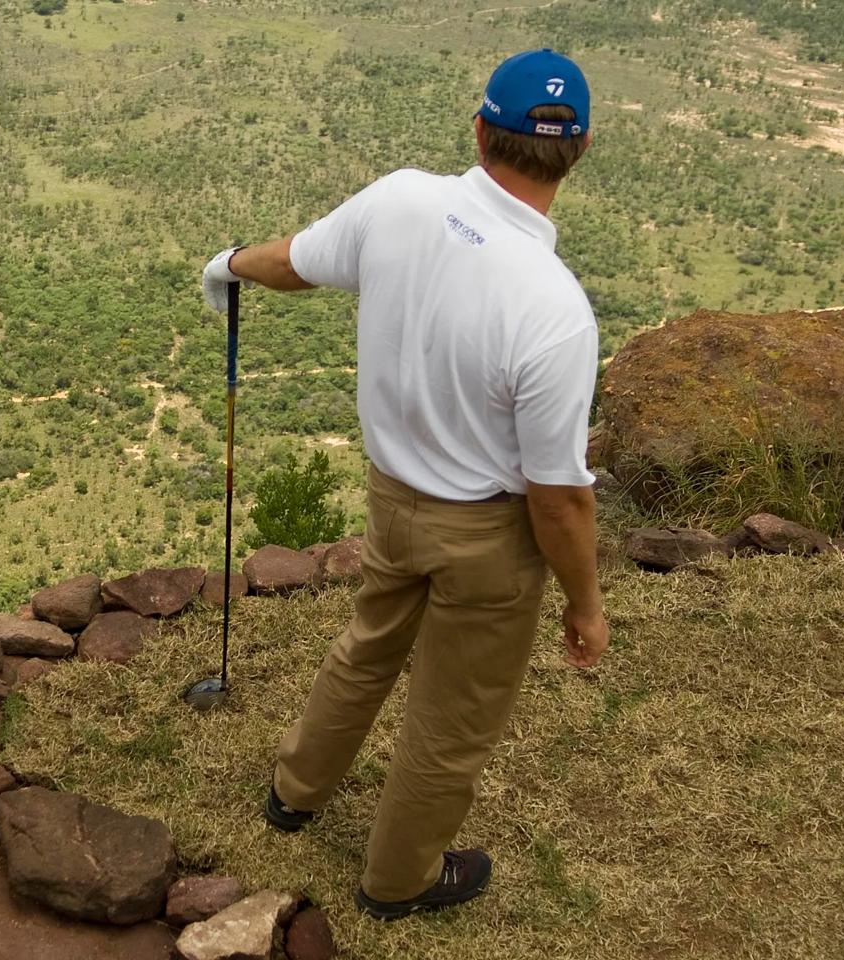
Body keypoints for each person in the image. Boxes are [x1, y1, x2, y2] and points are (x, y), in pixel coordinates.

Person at [199, 48, 610, 921]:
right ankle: (398, 883)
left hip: (393, 498)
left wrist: (229, 262)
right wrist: (585, 602)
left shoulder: (401, 202)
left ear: (479, 129)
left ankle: (294, 792)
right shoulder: (555, 308)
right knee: (451, 721)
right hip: (489, 538)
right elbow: (558, 496)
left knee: (369, 645)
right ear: (576, 152)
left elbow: (293, 263)